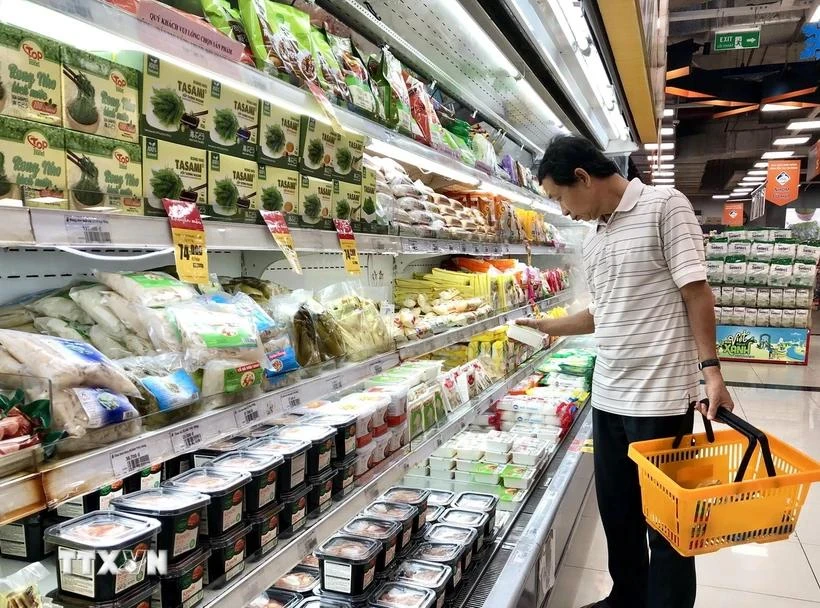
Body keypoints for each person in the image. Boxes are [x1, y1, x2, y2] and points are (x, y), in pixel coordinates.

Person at [517, 135, 734, 608]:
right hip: (608, 395)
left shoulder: (664, 206)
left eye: (560, 198)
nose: (565, 211)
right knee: (617, 513)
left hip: (659, 398)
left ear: (582, 177)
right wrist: (544, 326)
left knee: (666, 522)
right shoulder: (594, 239)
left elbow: (696, 292)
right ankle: (627, 597)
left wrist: (712, 371)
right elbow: (601, 315)